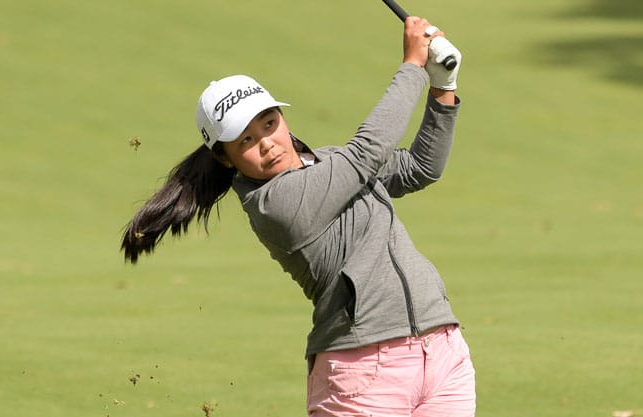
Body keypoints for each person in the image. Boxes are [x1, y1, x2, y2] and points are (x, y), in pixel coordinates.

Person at [121, 16, 475, 417]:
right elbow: (367, 152)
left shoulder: (328, 162)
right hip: (363, 370)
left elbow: (420, 168)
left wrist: (443, 86)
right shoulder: (274, 205)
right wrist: (412, 66)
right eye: (246, 141)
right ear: (225, 157)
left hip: (442, 353)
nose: (267, 144)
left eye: (270, 124)